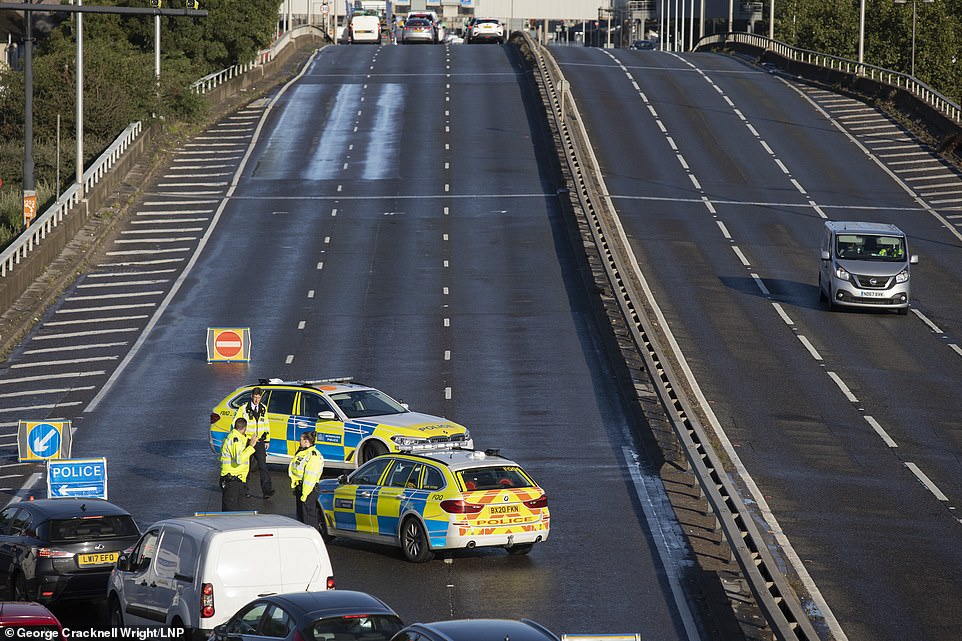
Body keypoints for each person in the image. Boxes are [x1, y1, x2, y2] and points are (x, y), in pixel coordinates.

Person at [234, 387, 274, 498]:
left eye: (259, 397)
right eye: (255, 397)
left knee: (263, 466)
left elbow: (266, 424)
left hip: (259, 441)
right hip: (247, 441)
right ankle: (244, 490)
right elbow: (235, 424)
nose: (257, 400)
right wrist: (241, 439)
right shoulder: (243, 408)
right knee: (246, 466)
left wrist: (267, 440)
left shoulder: (263, 408)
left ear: (261, 397)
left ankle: (267, 491)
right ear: (252, 396)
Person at [220, 418, 260, 511]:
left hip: (236, 479)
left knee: (238, 511)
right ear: (245, 428)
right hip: (232, 480)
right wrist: (251, 446)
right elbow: (239, 459)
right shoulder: (235, 440)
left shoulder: (234, 437)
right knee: (231, 512)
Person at [288, 432, 325, 529]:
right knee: (301, 517)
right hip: (301, 488)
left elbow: (309, 478)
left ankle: (313, 538)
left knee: (308, 519)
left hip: (308, 490)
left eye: (301, 440)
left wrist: (304, 495)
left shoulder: (313, 456)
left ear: (306, 441)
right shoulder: (303, 452)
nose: (299, 442)